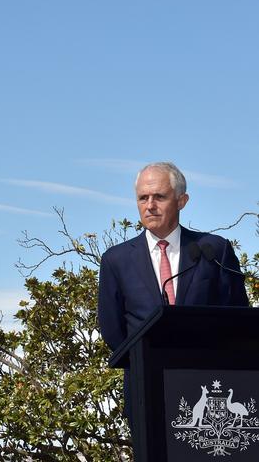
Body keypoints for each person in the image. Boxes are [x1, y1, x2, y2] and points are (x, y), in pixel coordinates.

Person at [98, 161, 248, 424]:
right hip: (147, 389)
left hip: (210, 384)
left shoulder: (212, 251)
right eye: (143, 198)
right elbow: (113, 331)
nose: (150, 205)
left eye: (159, 197)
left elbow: (236, 318)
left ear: (182, 200)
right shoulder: (116, 260)